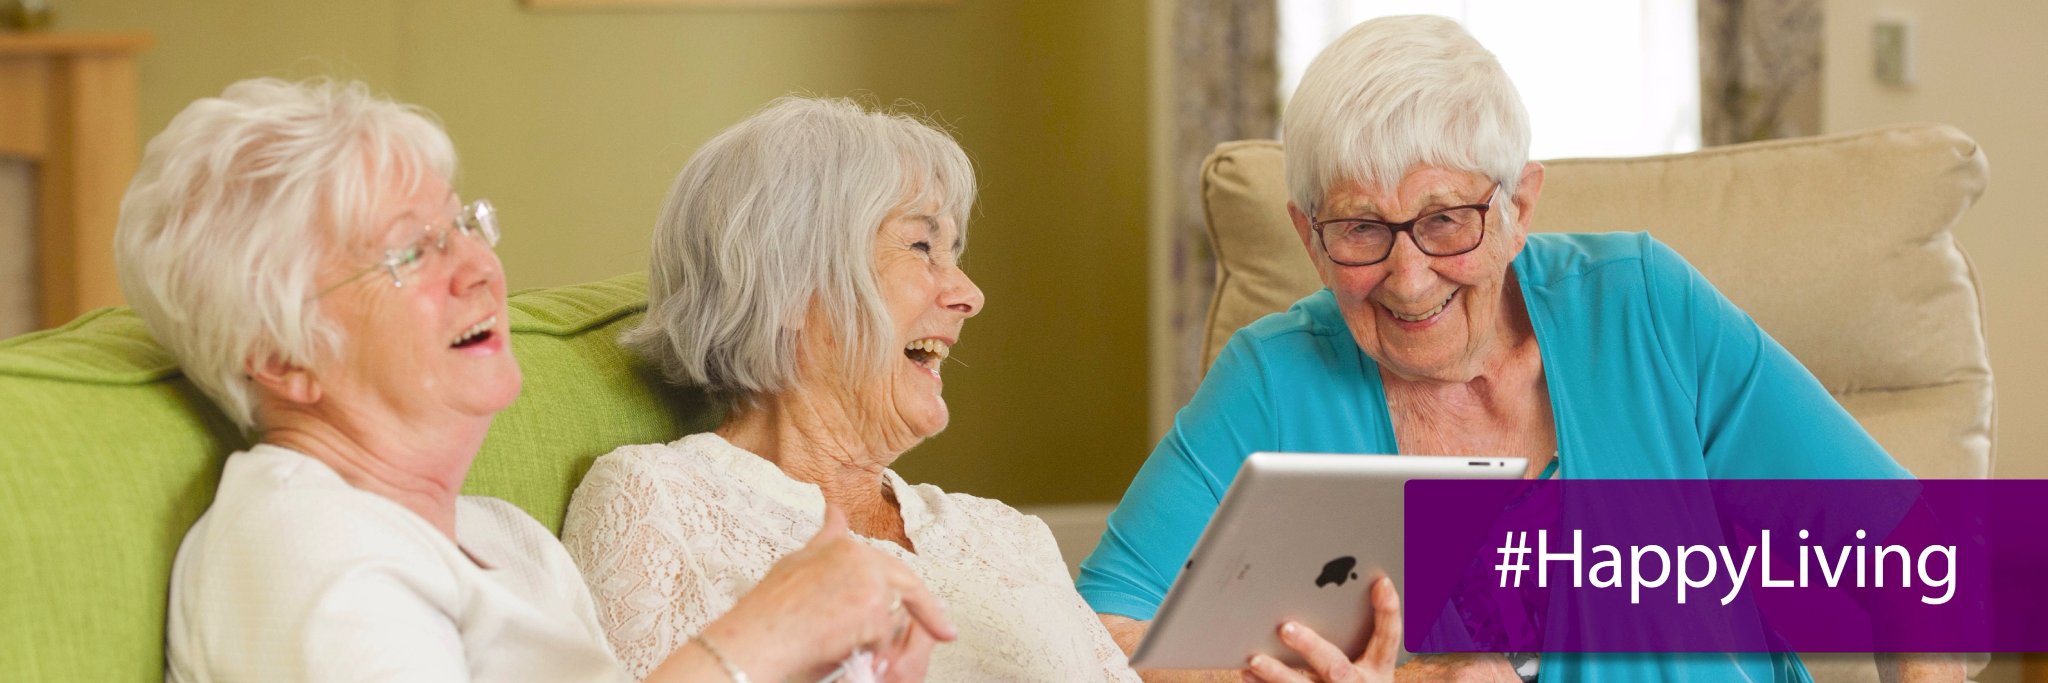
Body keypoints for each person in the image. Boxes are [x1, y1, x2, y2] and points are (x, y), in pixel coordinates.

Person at [1074, 15, 1963, 683]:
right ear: (1308, 236)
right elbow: (1086, 635)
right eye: (1358, 230)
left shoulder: (1643, 309)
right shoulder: (1274, 379)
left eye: (1445, 221)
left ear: (1520, 208)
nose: (1409, 279)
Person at [123, 78, 953, 683]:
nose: (479, 270)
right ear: (283, 358)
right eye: (410, 252)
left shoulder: (505, 540)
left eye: (461, 224)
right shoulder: (300, 545)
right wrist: (755, 641)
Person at [560, 96, 1143, 682]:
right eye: (922, 247)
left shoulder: (1004, 535)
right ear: (791, 284)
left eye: (953, 252)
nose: (970, 294)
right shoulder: (657, 500)